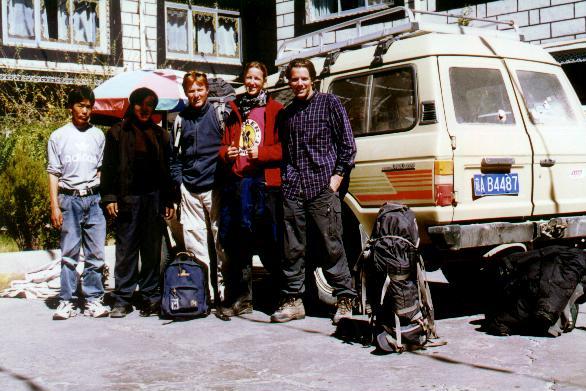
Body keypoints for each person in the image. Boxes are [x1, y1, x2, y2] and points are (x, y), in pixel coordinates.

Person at [270, 58, 358, 324]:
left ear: (313, 80)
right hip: (294, 189)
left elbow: (348, 145)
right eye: (294, 79)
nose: (299, 84)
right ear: (289, 81)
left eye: (304, 79)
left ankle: (345, 301)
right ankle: (294, 301)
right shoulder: (287, 113)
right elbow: (285, 152)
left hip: (322, 186)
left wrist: (337, 177)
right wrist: (287, 179)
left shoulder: (330, 104)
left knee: (332, 245)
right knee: (292, 249)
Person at [217, 61, 284, 317]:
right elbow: (223, 145)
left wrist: (263, 153)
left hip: (264, 185)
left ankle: (279, 298)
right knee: (238, 243)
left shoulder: (275, 109)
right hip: (238, 183)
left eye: (257, 78)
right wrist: (227, 152)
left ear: (264, 82)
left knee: (269, 243)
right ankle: (242, 299)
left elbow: (283, 148)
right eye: (249, 78)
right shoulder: (235, 109)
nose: (252, 83)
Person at [101, 87, 175, 318]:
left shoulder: (160, 135)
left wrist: (168, 199)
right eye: (140, 104)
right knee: (126, 249)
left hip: (153, 199)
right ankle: (123, 298)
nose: (145, 109)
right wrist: (110, 197)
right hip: (127, 199)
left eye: (150, 105)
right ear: (132, 105)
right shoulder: (116, 133)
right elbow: (109, 168)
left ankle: (150, 296)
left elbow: (166, 171)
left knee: (151, 249)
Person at [47, 86, 109, 320]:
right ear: (71, 107)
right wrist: (55, 206)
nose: (85, 111)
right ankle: (67, 301)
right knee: (69, 253)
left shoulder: (98, 135)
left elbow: (102, 168)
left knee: (96, 254)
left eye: (88, 107)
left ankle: (94, 299)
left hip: (94, 200)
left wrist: (98, 190)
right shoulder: (59, 136)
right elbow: (53, 172)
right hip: (69, 199)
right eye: (80, 106)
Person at [169, 71, 226, 307]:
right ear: (186, 93)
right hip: (190, 189)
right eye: (191, 90)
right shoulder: (180, 119)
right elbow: (175, 156)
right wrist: (179, 183)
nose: (196, 94)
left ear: (206, 90)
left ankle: (224, 291)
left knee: (221, 242)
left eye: (200, 89)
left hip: (215, 186)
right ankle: (205, 293)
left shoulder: (218, 114)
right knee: (195, 243)